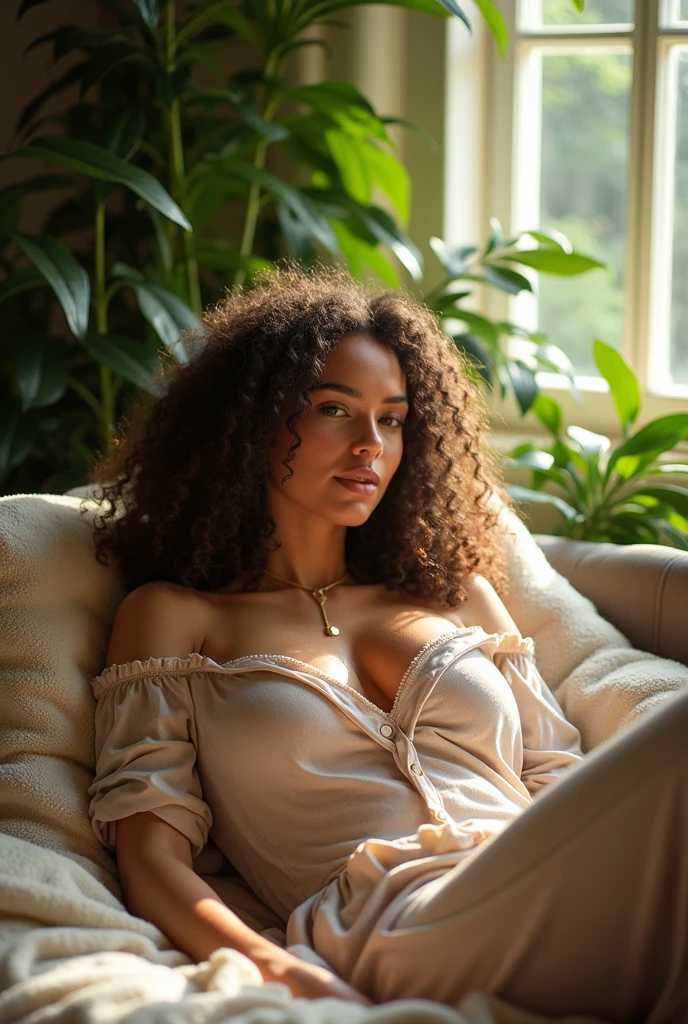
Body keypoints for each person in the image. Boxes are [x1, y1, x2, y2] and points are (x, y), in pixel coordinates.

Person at [85, 262, 688, 1022]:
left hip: (551, 873)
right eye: (335, 409)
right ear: (250, 422)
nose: (371, 444)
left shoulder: (457, 592)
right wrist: (277, 969)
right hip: (395, 923)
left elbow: (556, 773)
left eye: (394, 418)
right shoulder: (172, 618)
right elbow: (150, 856)